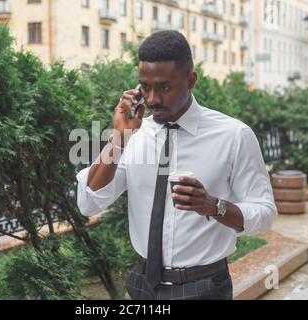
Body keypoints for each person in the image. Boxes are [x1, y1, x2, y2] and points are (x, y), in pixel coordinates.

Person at [76, 30, 277, 300]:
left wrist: (214, 206)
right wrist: (119, 138)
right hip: (142, 284)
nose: (152, 99)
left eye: (165, 87)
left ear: (190, 80)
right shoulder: (134, 135)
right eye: (145, 87)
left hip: (205, 286)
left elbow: (265, 213)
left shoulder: (234, 136)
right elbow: (89, 203)